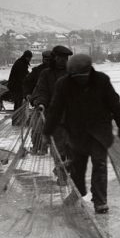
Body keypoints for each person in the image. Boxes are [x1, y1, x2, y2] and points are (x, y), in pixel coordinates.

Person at [42, 54, 120, 214]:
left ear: (88, 71)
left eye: (81, 76)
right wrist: (47, 131)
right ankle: (79, 192)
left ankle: (100, 201)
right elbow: (55, 109)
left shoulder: (101, 80)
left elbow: (114, 103)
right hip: (76, 132)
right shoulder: (64, 84)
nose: (78, 80)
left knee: (99, 165)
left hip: (99, 132)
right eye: (75, 76)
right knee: (77, 167)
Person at [32, 45, 73, 175]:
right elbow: (41, 91)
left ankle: (69, 174)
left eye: (65, 58)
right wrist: (41, 103)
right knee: (58, 149)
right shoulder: (46, 74)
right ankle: (61, 175)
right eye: (60, 58)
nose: (63, 61)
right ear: (54, 58)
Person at [7, 50, 32, 124]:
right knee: (18, 104)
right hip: (16, 87)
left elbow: (25, 74)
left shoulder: (21, 62)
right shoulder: (21, 64)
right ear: (27, 57)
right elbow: (22, 77)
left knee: (18, 104)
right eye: (30, 58)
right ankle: (16, 121)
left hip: (16, 86)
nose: (30, 60)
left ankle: (17, 120)